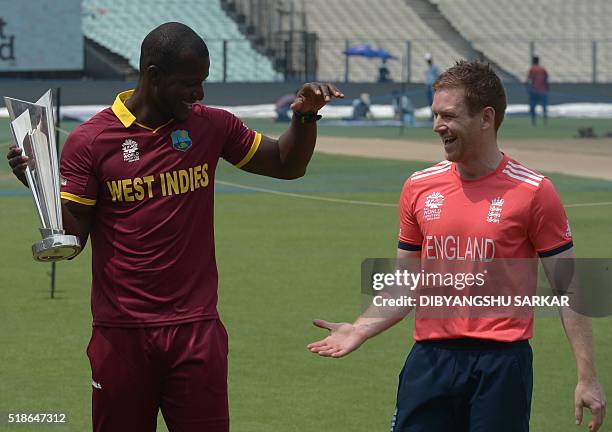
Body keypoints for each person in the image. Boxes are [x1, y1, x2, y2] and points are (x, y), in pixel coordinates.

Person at [7, 22, 343, 432]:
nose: (199, 94)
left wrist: (305, 119)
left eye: (202, 82)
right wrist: (40, 189)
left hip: (196, 330)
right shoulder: (91, 140)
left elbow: (286, 165)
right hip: (122, 334)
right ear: (153, 76)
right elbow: (73, 242)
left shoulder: (211, 125)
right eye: (189, 84)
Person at [308, 60, 606, 432]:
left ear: (486, 117)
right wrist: (359, 328)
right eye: (435, 115)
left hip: (501, 366)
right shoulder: (419, 186)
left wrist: (587, 377)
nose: (437, 126)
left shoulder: (533, 192)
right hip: (430, 360)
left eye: (448, 115)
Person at [526, 55, 549, 126]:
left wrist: (527, 87)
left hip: (534, 91)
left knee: (533, 107)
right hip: (543, 91)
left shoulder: (532, 69)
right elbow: (546, 79)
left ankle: (534, 123)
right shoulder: (543, 69)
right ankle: (545, 122)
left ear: (533, 61)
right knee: (544, 107)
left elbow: (528, 80)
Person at [424, 52, 440, 121]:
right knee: (430, 101)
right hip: (428, 86)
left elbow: (438, 76)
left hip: (433, 86)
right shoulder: (429, 68)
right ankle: (432, 115)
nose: (428, 61)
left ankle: (435, 115)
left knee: (434, 101)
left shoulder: (435, 67)